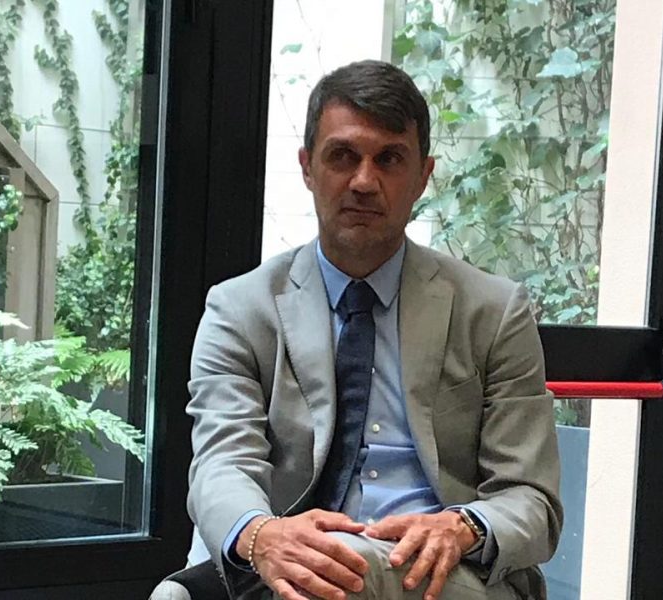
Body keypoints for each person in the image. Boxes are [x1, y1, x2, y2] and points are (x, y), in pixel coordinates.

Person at [175, 60, 562, 600]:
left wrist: (463, 527)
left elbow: (533, 500)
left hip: (440, 576)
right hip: (288, 562)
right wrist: (263, 535)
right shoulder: (240, 309)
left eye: (389, 159)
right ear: (307, 168)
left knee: (345, 572)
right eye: (342, 156)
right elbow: (221, 464)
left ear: (423, 177)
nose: (363, 181)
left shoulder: (493, 311)